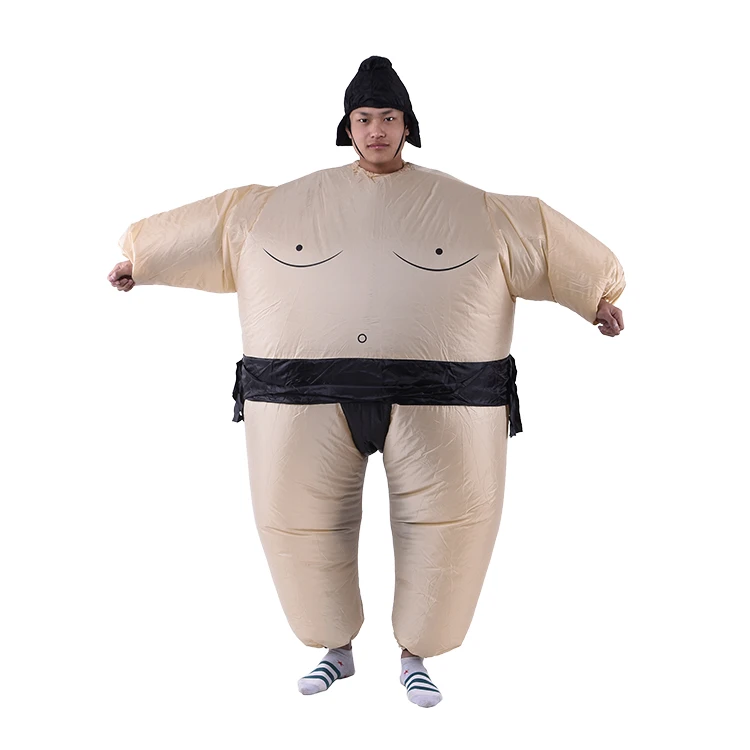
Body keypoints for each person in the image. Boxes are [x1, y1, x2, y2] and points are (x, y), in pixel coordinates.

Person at [107, 56, 625, 708]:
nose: (375, 130)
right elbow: (213, 230)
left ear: (407, 125)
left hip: (444, 402)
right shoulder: (273, 209)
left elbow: (542, 240)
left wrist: (596, 297)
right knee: (298, 524)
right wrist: (142, 261)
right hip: (299, 398)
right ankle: (337, 651)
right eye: (363, 118)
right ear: (346, 127)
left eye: (387, 118)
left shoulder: (475, 210)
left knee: (450, 527)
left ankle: (416, 656)